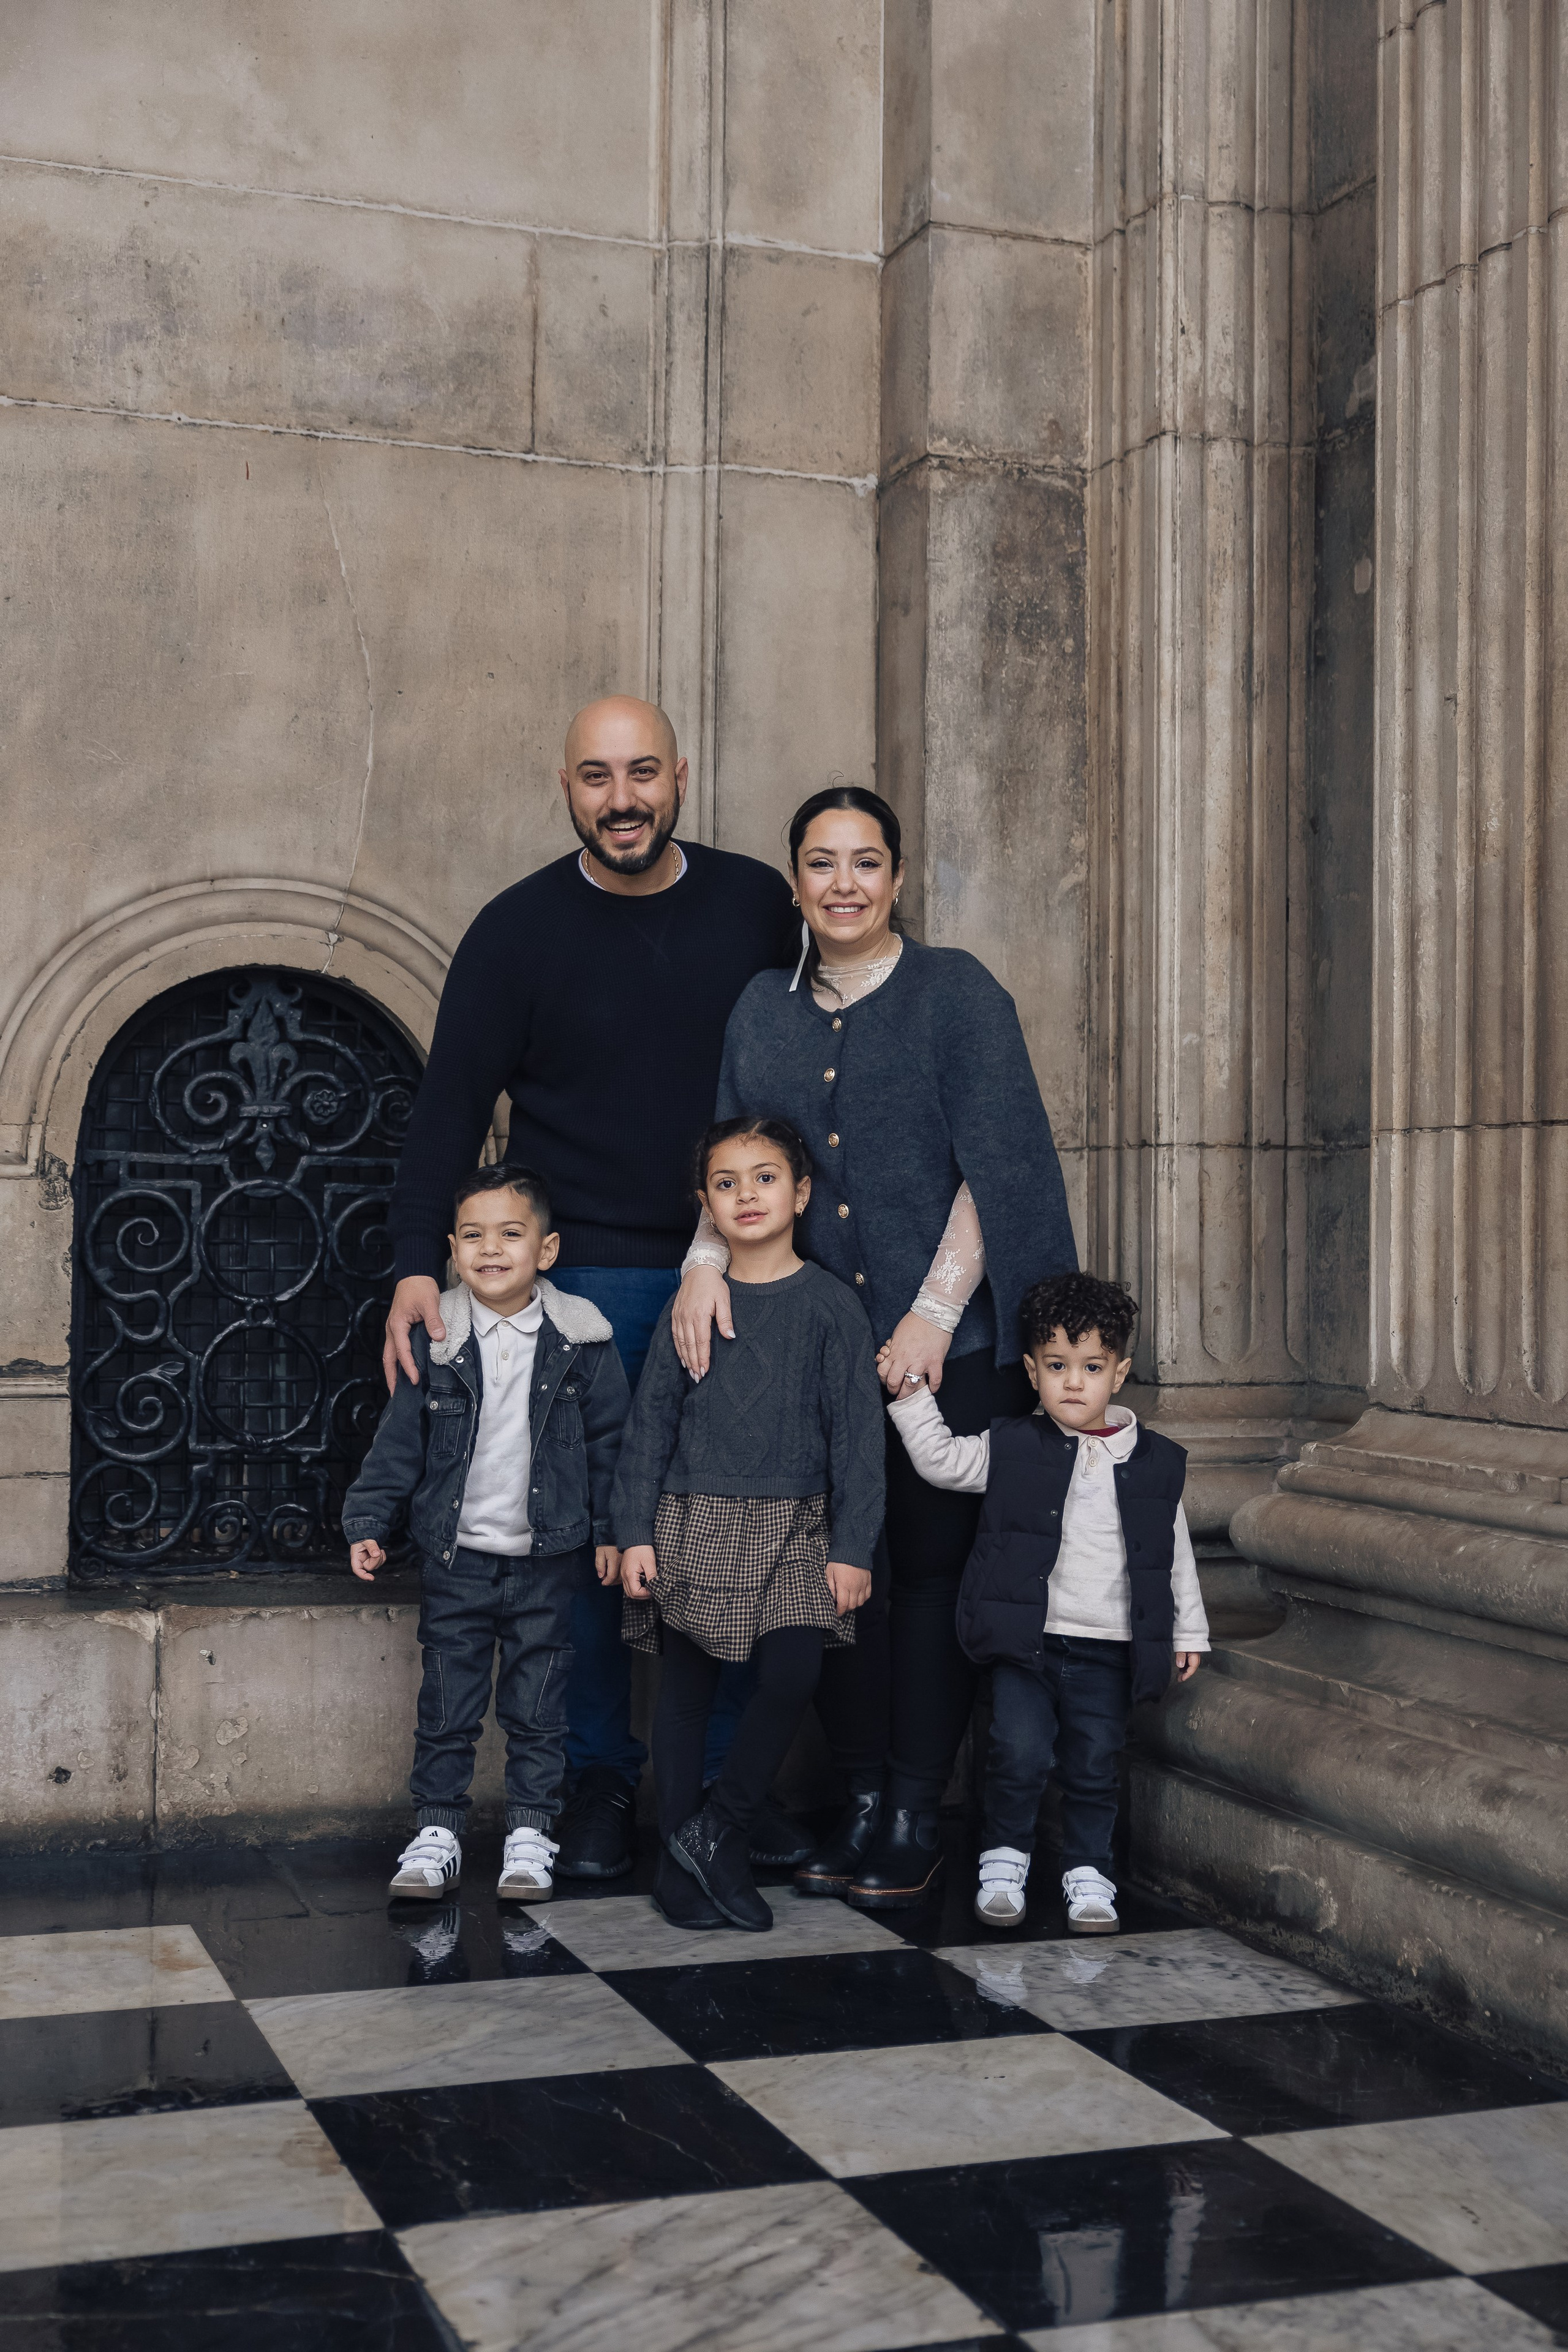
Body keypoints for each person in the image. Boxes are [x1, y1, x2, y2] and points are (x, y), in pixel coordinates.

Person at [380, 696, 799, 1880]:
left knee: (735, 1536)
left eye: (645, 772)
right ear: (566, 788)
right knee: (576, 1553)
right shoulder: (516, 932)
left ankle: (723, 1789)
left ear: (681, 776)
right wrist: (419, 1266)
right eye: (598, 778)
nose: (624, 798)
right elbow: (451, 1109)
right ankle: (596, 1785)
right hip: (580, 1287)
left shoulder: (756, 905)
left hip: (740, 1268)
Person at [672, 785, 1077, 1910]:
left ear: (897, 877)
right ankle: (855, 1798)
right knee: (827, 1577)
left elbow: (997, 1171)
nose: (843, 883)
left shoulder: (959, 995)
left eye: (865, 862)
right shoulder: (764, 1008)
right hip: (813, 1348)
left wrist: (934, 1316)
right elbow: (732, 1157)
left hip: (952, 1346)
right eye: (820, 862)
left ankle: (911, 1809)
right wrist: (703, 1268)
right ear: (794, 882)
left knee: (929, 1578)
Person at [611, 1117, 884, 1931]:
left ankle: (719, 1829)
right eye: (726, 1184)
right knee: (687, 1690)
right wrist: (633, 1530)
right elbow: (650, 1423)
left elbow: (859, 1439)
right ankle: (678, 1859)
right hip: (696, 1516)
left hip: (801, 1523)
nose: (747, 1196)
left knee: (793, 1673)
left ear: (801, 1192)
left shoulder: (832, 1306)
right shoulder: (689, 1306)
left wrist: (854, 1546)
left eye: (765, 1178)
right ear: (706, 1204)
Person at [887, 1270, 1208, 1932]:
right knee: (1018, 1754)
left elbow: (1169, 1552)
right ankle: (1004, 1860)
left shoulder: (1152, 1463)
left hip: (1109, 1648)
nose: (1073, 1382)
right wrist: (910, 1393)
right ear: (1032, 1371)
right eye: (1057, 1365)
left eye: (1090, 1367)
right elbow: (942, 1462)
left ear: (1117, 1374)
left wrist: (1188, 1633)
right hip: (1027, 1646)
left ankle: (1088, 1871)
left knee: (1094, 1764)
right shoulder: (1012, 1447)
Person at [345, 1164, 630, 1902]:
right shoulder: (439, 1339)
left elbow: (610, 1446)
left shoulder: (582, 1340)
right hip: (456, 1558)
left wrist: (610, 1531)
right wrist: (369, 1520)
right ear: (451, 1249)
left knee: (539, 1705)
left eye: (511, 1233)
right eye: (473, 1235)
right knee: (447, 1702)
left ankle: (532, 1833)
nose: (491, 1248)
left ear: (548, 1249)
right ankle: (436, 1831)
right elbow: (398, 1443)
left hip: (547, 1560)